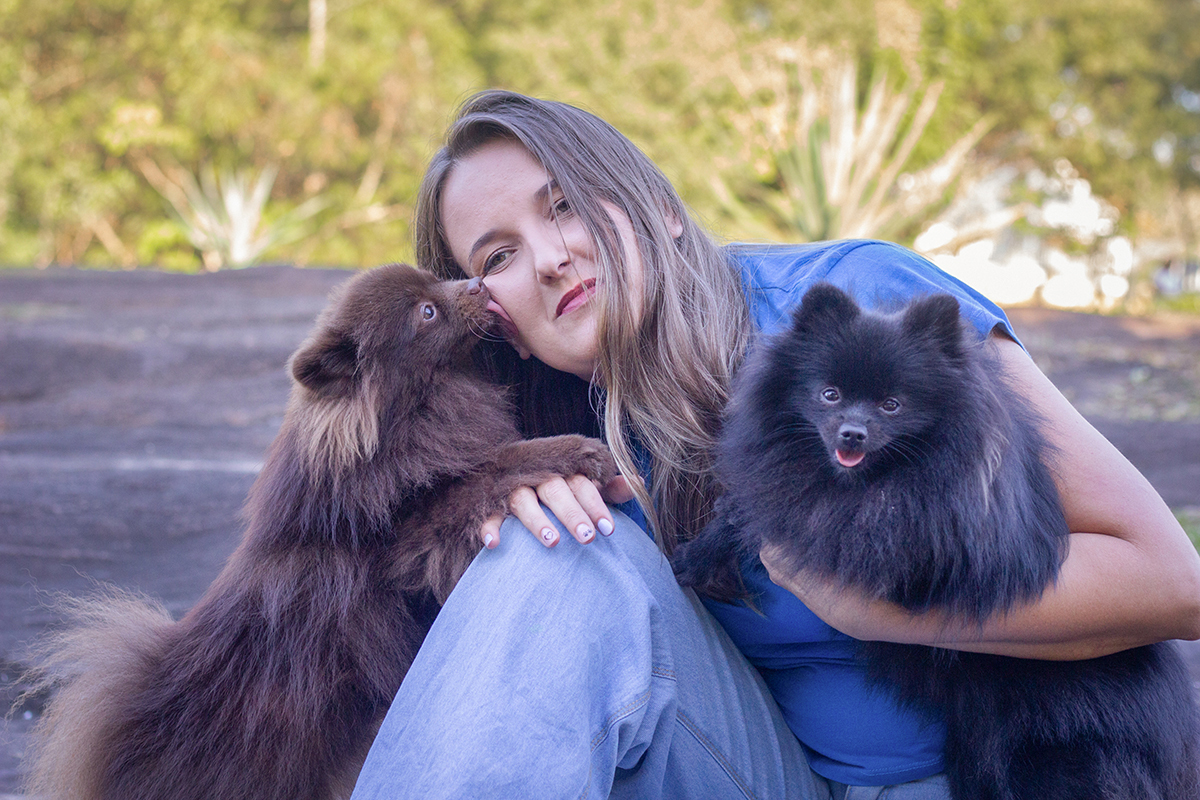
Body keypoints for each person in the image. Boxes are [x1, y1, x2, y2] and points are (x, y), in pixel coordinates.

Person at [349, 90, 1200, 800]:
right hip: (767, 770)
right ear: (492, 318)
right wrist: (502, 495)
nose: (548, 259)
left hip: (1002, 766)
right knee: (549, 546)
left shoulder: (858, 304)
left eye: (564, 204)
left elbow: (1173, 582)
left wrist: (871, 610)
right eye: (497, 256)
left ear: (658, 208)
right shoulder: (556, 435)